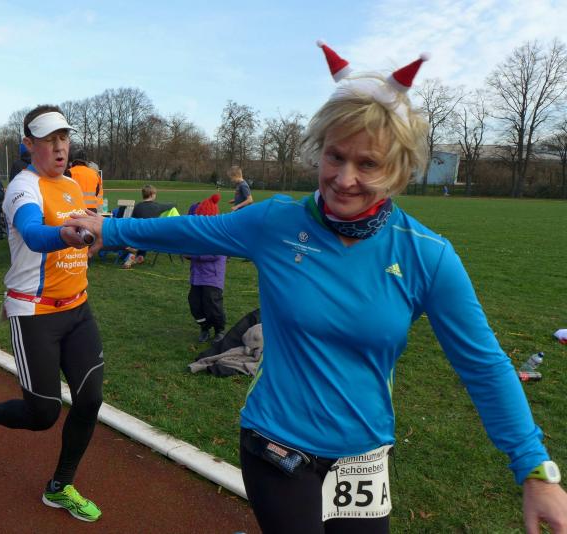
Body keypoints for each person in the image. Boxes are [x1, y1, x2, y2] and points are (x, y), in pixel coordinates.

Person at [65, 43, 567, 533]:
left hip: (364, 458)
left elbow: (484, 365)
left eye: (367, 164)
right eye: (335, 156)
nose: (344, 179)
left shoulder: (427, 255)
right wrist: (111, 228)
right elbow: (194, 231)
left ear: (397, 170)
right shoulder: (277, 222)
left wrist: (535, 469)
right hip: (276, 444)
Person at [0, 105, 103, 523]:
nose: (60, 148)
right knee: (43, 414)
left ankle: (60, 486)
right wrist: (67, 234)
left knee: (90, 399)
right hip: (34, 312)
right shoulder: (23, 187)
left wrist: (95, 234)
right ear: (29, 145)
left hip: (77, 308)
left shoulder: (72, 184)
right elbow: (35, 234)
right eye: (49, 140)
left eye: (64, 139)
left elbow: (84, 231)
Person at [186, 193, 226, 343]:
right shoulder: (197, 232)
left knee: (212, 304)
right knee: (195, 303)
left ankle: (219, 329)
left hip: (212, 276)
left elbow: (215, 253)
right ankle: (204, 327)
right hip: (197, 276)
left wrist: (193, 255)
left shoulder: (219, 233)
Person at [120, 184, 175, 268]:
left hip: (138, 235)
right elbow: (170, 205)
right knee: (146, 234)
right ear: (152, 195)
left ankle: (135, 255)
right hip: (152, 236)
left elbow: (133, 222)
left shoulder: (137, 207)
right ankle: (139, 256)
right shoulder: (157, 206)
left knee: (139, 235)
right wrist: (174, 204)